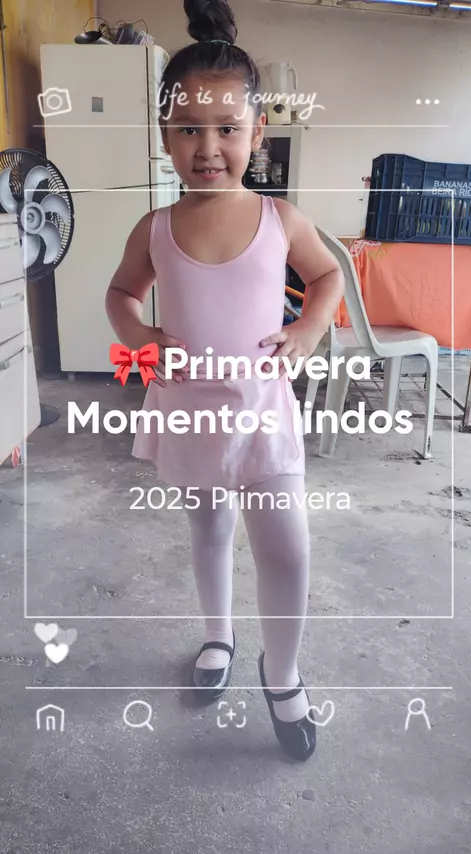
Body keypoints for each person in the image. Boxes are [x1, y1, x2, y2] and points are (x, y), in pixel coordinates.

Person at [106, 0, 344, 761]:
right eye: (188, 130)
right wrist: (140, 339)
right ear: (164, 136)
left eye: (227, 129)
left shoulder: (280, 219)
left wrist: (308, 328)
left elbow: (328, 276)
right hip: (188, 410)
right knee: (208, 527)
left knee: (287, 548)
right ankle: (219, 636)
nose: (208, 148)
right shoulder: (155, 229)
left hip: (263, 409)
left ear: (257, 133)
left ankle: (284, 671)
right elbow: (120, 295)